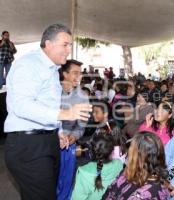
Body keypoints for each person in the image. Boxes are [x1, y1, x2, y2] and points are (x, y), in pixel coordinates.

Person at [4, 24, 92, 200]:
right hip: (29, 145)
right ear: (48, 43)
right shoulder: (29, 64)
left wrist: (57, 131)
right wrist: (65, 114)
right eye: (65, 45)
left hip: (48, 141)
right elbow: (21, 105)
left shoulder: (52, 70)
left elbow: (47, 106)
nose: (68, 50)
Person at [56, 59, 90, 200]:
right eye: (75, 73)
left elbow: (82, 123)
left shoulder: (82, 96)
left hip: (69, 143)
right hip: (49, 141)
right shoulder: (51, 91)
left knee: (66, 178)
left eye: (80, 73)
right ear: (64, 74)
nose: (79, 77)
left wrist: (74, 137)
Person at [103, 132, 170, 199]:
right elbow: (109, 192)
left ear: (140, 158)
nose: (128, 153)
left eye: (131, 150)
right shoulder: (129, 171)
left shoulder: (149, 193)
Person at [71, 133, 123, 200]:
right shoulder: (119, 164)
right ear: (112, 151)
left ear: (91, 151)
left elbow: (77, 198)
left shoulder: (83, 172)